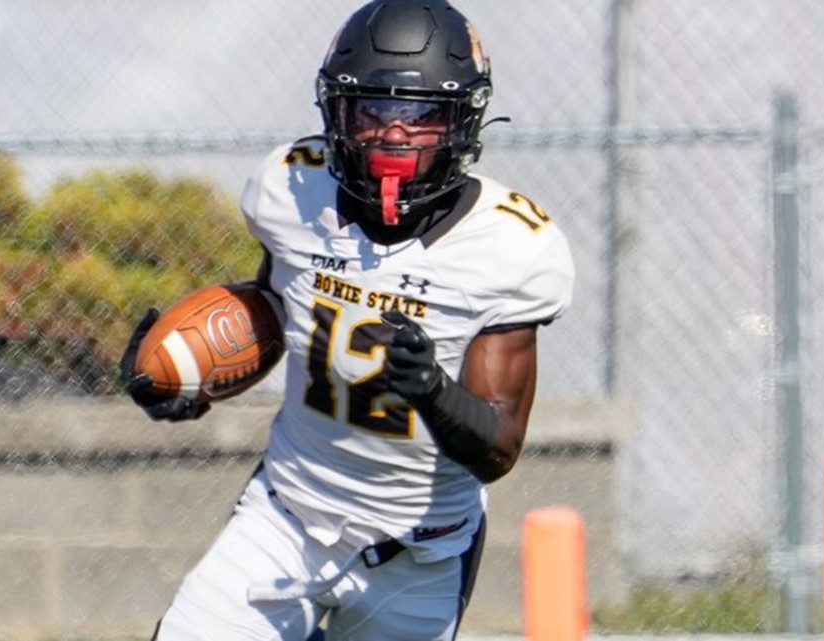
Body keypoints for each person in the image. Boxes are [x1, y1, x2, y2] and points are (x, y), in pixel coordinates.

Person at [120, 1, 574, 638]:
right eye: (373, 111)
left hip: (419, 554)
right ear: (336, 113)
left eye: (420, 116)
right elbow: (277, 307)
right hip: (286, 518)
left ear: (462, 122)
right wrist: (196, 377)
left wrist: (432, 391)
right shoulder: (292, 190)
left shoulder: (507, 248)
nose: (393, 134)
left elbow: (498, 447)